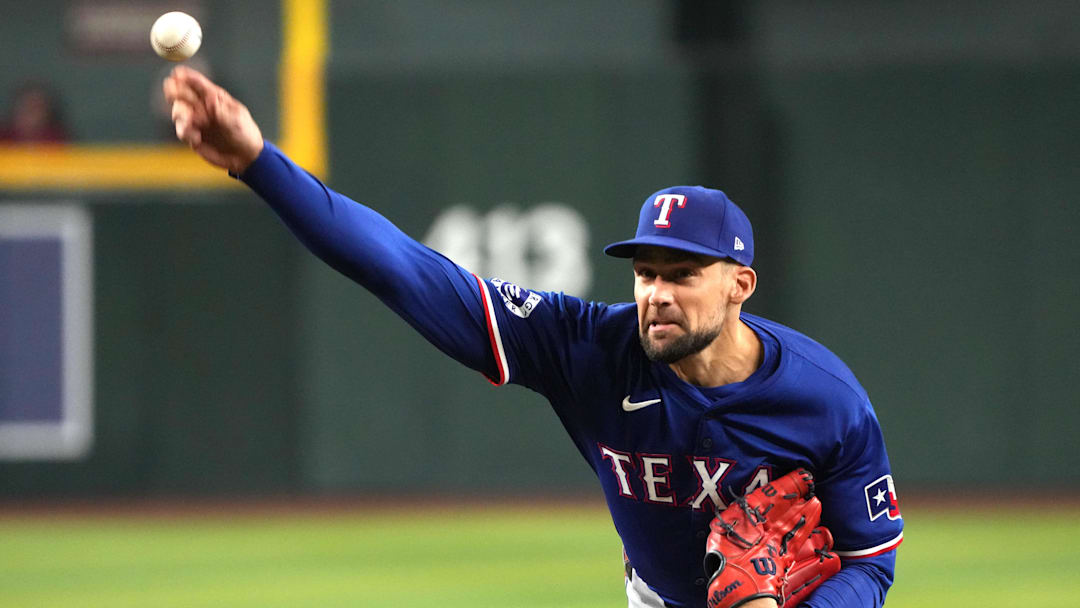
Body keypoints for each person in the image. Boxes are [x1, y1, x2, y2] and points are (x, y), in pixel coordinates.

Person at [164, 66, 902, 608]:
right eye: (645, 272)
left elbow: (871, 562)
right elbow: (403, 270)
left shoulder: (826, 400)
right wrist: (259, 162)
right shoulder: (587, 349)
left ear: (740, 284)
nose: (656, 294)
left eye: (681, 273)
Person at [0, 83, 69, 143]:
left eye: (36, 107)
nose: (29, 112)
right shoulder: (3, 136)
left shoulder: (56, 139)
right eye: (25, 105)